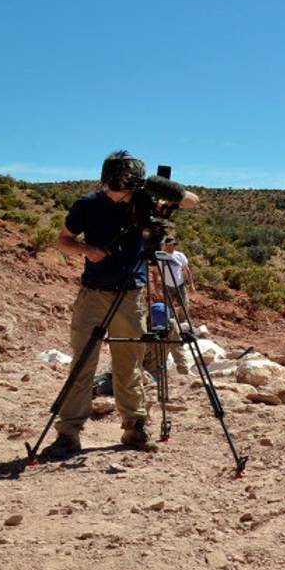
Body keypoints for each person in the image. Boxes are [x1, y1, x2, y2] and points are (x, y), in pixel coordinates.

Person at [41, 151, 199, 460]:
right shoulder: (86, 205)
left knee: (129, 364)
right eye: (113, 189)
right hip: (93, 293)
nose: (117, 196)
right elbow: (63, 240)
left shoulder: (143, 201)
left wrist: (158, 187)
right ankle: (68, 434)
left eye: (123, 189)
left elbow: (191, 201)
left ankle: (134, 427)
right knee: (82, 364)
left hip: (130, 295)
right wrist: (86, 249)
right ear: (105, 181)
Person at [158, 236, 195, 315]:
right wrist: (156, 288)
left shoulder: (180, 255)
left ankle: (184, 321)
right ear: (165, 245)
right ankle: (171, 322)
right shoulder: (160, 256)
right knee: (168, 306)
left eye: (173, 245)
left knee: (184, 304)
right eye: (169, 245)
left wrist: (191, 285)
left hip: (180, 285)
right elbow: (155, 272)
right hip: (167, 286)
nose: (172, 247)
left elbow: (187, 270)